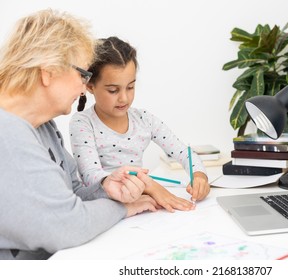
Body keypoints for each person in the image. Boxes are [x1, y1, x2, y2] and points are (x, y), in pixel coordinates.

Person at [0, 10, 158, 260]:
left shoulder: (42, 127)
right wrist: (121, 207)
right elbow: (65, 225)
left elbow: (71, 191)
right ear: (48, 71)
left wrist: (106, 187)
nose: (85, 87)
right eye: (83, 75)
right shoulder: (6, 134)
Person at [69, 36, 210, 212]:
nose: (124, 98)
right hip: (103, 208)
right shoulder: (83, 123)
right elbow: (91, 177)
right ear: (89, 86)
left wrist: (199, 176)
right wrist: (148, 186)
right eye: (113, 90)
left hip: (140, 205)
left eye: (130, 87)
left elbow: (183, 152)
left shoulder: (144, 120)